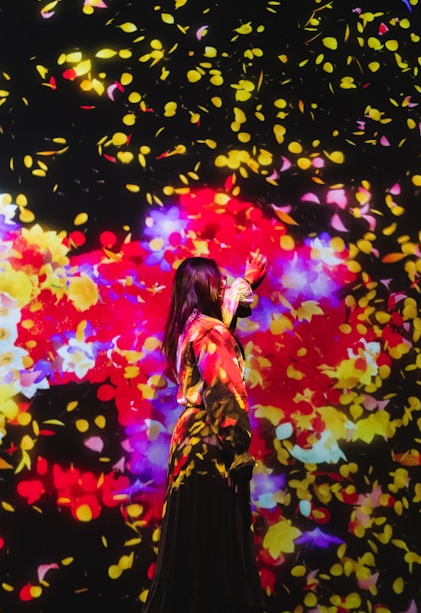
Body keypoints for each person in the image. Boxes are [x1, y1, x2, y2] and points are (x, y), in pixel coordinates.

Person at [143, 253, 268, 613]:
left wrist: (248, 280)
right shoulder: (211, 333)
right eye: (219, 282)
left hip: (187, 446)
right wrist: (237, 448)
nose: (225, 287)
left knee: (188, 550)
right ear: (205, 288)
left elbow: (226, 316)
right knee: (215, 549)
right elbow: (223, 389)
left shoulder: (189, 328)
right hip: (210, 444)